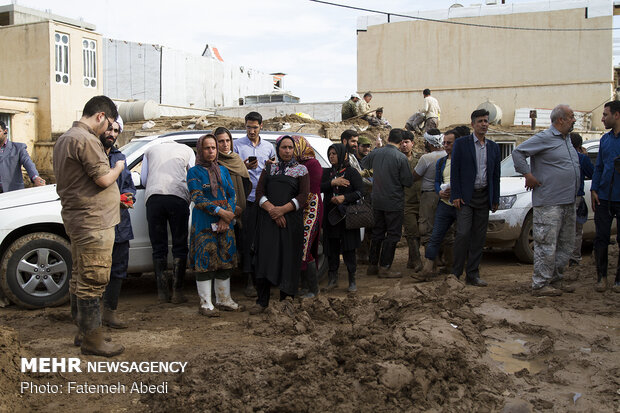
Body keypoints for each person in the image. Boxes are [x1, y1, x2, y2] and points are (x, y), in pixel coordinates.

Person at [53, 95, 125, 357]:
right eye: (108, 125)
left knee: (80, 276)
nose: (108, 131)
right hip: (93, 222)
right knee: (93, 279)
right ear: (100, 116)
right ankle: (92, 340)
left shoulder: (65, 138)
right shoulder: (85, 139)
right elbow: (104, 179)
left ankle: (83, 332)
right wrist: (117, 166)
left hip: (80, 219)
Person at [512, 104, 580, 296]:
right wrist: (527, 174)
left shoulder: (566, 140)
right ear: (560, 120)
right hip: (549, 202)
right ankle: (540, 284)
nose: (574, 120)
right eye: (571, 116)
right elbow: (518, 153)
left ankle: (556, 280)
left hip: (568, 201)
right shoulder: (545, 137)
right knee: (546, 244)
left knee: (565, 244)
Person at [250, 136, 309, 314]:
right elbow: (259, 191)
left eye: (290, 147)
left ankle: (285, 300)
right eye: (283, 147)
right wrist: (272, 211)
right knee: (265, 258)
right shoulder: (270, 168)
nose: (287, 151)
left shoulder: (301, 170)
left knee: (288, 258)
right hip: (268, 221)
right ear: (278, 149)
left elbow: (303, 196)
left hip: (291, 223)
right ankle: (262, 301)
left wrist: (282, 210)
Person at [188, 134, 240, 316]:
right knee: (205, 261)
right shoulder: (194, 172)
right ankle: (205, 303)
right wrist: (220, 212)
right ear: (200, 150)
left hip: (224, 222)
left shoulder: (223, 170)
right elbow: (197, 197)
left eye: (214, 148)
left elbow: (231, 194)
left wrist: (226, 217)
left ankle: (223, 299)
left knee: (225, 258)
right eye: (207, 148)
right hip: (204, 221)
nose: (211, 151)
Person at [142, 135, 195, 304]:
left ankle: (162, 292)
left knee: (159, 246)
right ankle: (177, 292)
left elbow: (143, 179)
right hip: (177, 198)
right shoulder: (186, 150)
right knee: (180, 245)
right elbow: (192, 175)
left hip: (154, 199)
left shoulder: (150, 150)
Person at [451, 109, 501, 287]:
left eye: (486, 121)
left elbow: (495, 174)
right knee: (463, 234)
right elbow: (454, 170)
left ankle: (472, 274)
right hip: (465, 198)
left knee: (479, 237)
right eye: (480, 121)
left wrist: (495, 198)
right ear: (473, 124)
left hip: (484, 196)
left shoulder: (493, 147)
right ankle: (455, 275)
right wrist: (455, 194)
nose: (484, 124)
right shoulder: (462, 144)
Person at [233, 112, 276, 297]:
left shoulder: (269, 147)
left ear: (261, 126)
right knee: (246, 241)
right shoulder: (237, 145)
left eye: (255, 127)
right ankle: (249, 280)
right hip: (247, 199)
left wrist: (270, 165)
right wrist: (243, 166)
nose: (251, 131)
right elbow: (232, 168)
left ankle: (265, 278)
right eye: (249, 127)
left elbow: (276, 168)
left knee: (264, 241)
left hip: (265, 201)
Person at [361, 128, 413, 278]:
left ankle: (372, 266)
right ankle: (385, 267)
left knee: (377, 232)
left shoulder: (377, 152)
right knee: (393, 234)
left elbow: (364, 163)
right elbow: (408, 181)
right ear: (402, 141)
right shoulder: (401, 157)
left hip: (377, 200)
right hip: (394, 202)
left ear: (389, 138)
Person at [100, 116, 136, 329]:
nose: (112, 134)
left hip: (120, 224)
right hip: (99, 224)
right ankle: (87, 316)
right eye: (109, 129)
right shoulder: (92, 155)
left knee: (118, 270)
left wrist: (129, 196)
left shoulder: (119, 156)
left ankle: (110, 312)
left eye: (116, 131)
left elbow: (128, 185)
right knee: (94, 271)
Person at [214, 126, 252, 306]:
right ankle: (223, 291)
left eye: (227, 140)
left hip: (241, 211)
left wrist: (240, 206)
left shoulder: (236, 159)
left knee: (246, 246)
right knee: (224, 249)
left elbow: (245, 183)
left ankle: (249, 282)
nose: (224, 144)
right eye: (220, 141)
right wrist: (229, 208)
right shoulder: (214, 163)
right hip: (223, 212)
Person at [321, 143, 364, 293]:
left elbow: (360, 192)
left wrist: (344, 197)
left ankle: (352, 280)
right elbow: (319, 187)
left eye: (334, 153)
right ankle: (332, 279)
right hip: (331, 217)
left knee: (349, 249)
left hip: (347, 217)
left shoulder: (351, 173)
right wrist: (333, 182)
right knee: (331, 249)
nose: (332, 156)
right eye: (330, 153)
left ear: (342, 155)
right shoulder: (326, 173)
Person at [421, 130, 459, 278]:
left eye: (449, 143)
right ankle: (428, 268)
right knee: (435, 235)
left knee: (459, 236)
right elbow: (438, 181)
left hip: (459, 204)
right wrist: (439, 192)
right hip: (444, 203)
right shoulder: (441, 162)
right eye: (444, 143)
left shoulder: (463, 161)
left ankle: (456, 268)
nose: (446, 146)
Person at [591, 100, 620, 293]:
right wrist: (594, 189)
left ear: (616, 115)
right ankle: (601, 277)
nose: (602, 118)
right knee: (601, 238)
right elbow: (599, 167)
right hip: (603, 197)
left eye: (605, 115)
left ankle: (619, 280)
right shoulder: (605, 140)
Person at [291, 135, 324, 299]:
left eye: (293, 147)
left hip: (311, 208)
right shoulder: (297, 164)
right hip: (299, 208)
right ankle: (304, 287)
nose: (291, 150)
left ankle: (313, 289)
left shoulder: (312, 164)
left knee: (305, 247)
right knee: (301, 247)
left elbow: (311, 190)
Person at [413, 129, 447, 254]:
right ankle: (445, 260)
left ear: (429, 143)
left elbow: (414, 176)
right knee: (445, 227)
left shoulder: (426, 158)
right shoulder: (447, 155)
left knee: (426, 228)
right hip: (445, 195)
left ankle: (431, 262)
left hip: (429, 195)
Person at [569, 132, 594, 267]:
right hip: (576, 197)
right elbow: (593, 173)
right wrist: (586, 157)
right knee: (576, 230)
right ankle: (574, 259)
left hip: (559, 197)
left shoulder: (559, 156)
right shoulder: (581, 158)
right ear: (579, 146)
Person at [0, 120, 45, 193]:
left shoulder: (18, 148)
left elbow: (28, 163)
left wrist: (35, 177)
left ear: (5, 131)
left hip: (13, 193)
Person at [399, 130, 423, 271]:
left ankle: (411, 259)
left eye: (406, 142)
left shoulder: (420, 159)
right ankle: (417, 261)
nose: (404, 145)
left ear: (412, 144)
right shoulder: (397, 160)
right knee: (411, 231)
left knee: (420, 231)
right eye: (401, 143)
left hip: (420, 200)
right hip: (405, 201)